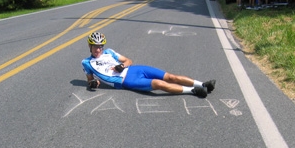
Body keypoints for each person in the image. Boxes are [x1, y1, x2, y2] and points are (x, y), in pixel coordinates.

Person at [82, 32, 216, 98]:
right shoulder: (87, 62)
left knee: (170, 76)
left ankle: (202, 84)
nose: (98, 49)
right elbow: (91, 80)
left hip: (134, 70)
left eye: (100, 46)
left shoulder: (109, 52)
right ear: (90, 46)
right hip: (127, 80)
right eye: (95, 47)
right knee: (158, 84)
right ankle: (193, 90)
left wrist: (122, 66)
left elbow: (128, 60)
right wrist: (93, 83)